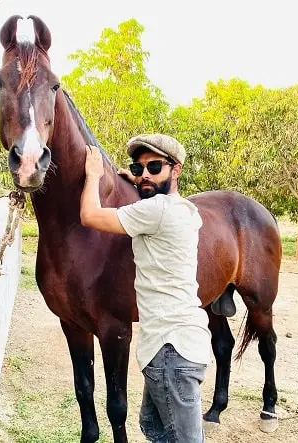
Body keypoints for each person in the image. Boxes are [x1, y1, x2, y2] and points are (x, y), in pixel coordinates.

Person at [80, 133, 211, 442]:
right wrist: (140, 182)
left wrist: (93, 176)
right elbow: (155, 200)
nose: (145, 176)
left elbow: (89, 215)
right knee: (153, 426)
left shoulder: (157, 212)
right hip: (180, 344)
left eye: (154, 167)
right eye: (138, 169)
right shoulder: (185, 210)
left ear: (176, 170)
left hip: (170, 351)